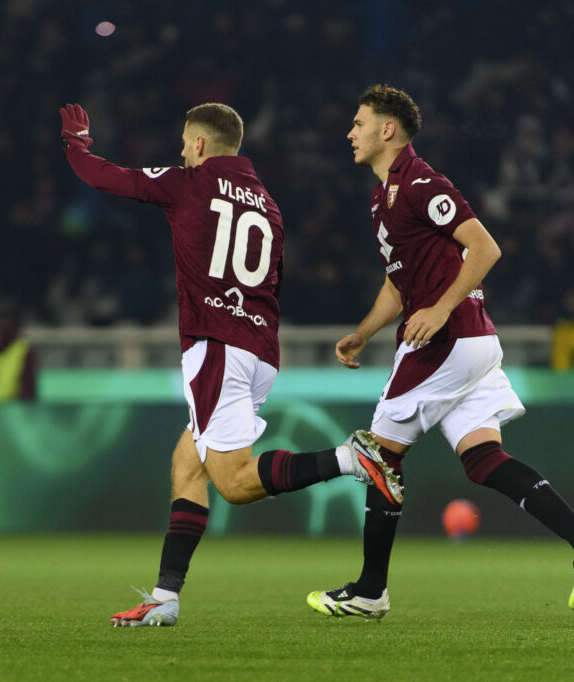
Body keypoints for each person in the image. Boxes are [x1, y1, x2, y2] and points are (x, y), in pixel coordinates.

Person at [59, 102, 403, 627]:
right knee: (186, 464)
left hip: (215, 346)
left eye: (183, 141)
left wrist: (76, 145)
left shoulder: (188, 182)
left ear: (199, 144)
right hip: (259, 348)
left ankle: (351, 460)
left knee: (236, 484)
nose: (180, 151)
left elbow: (106, 177)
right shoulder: (268, 203)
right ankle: (165, 597)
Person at [306, 84, 574, 621]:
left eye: (359, 123)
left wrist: (441, 308)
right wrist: (364, 332)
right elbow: (398, 284)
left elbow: (485, 246)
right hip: (469, 343)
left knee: (379, 457)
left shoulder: (422, 181)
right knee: (483, 461)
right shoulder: (383, 199)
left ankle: (369, 591)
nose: (349, 132)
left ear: (388, 129)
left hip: (446, 341)